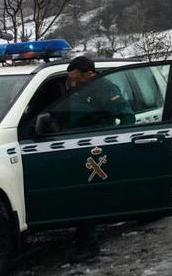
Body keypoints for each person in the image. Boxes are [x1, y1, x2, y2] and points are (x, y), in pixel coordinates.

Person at [62, 56, 133, 263]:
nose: (72, 83)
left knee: (86, 196)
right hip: (73, 147)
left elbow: (128, 117)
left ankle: (90, 246)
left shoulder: (106, 89)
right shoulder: (75, 89)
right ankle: (82, 237)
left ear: (89, 74)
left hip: (95, 149)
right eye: (70, 79)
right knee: (77, 195)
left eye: (76, 78)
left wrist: (114, 142)